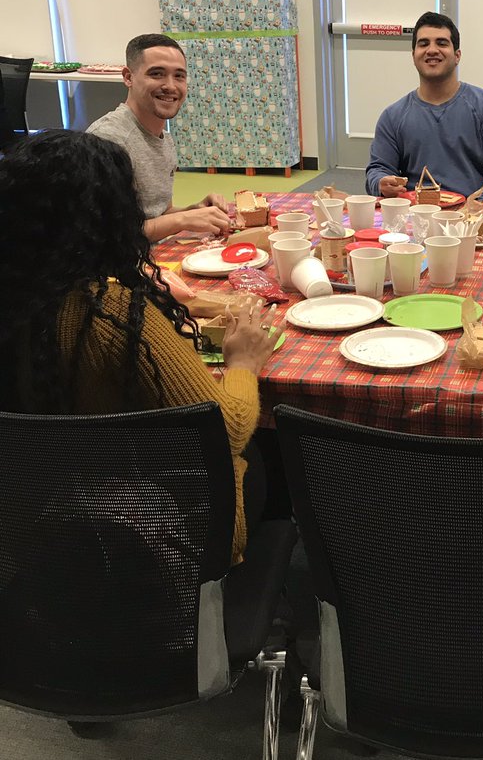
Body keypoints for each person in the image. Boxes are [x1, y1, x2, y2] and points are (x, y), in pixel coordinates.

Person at [0, 130, 280, 565]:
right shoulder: (111, 313)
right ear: (110, 217)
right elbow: (229, 426)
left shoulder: (20, 300)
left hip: (43, 530)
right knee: (267, 454)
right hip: (157, 534)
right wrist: (243, 362)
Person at [87, 33, 231, 242]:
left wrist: (193, 211)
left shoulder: (164, 139)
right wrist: (184, 220)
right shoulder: (109, 140)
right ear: (128, 77)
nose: (171, 86)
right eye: (157, 74)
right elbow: (109, 235)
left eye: (179, 76)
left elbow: (158, 215)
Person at [365, 12, 483, 201]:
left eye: (442, 43)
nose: (432, 50)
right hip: (415, 216)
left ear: (457, 56)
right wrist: (381, 182)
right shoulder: (392, 116)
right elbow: (378, 170)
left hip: (473, 217)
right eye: (423, 44)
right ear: (414, 56)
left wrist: (475, 214)